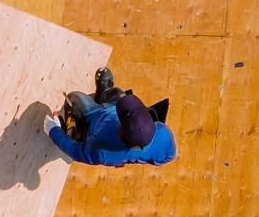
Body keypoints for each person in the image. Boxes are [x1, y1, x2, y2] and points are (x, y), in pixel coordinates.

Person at [46, 67, 176, 168]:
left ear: (122, 131)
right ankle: (102, 93)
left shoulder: (104, 151)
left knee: (73, 98)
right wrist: (131, 158)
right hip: (111, 108)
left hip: (92, 119)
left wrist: (53, 130)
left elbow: (76, 152)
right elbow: (169, 157)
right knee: (118, 93)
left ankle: (72, 130)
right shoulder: (163, 136)